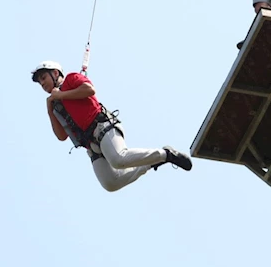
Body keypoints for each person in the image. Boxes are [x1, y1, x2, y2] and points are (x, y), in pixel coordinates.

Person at [31, 61, 193, 192]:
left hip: (102, 127)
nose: (42, 83)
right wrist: (50, 110)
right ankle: (151, 162)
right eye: (40, 82)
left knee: (118, 159)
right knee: (111, 183)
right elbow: (61, 136)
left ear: (55, 73)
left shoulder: (71, 79)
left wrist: (62, 94)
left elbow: (89, 90)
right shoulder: (56, 105)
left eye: (44, 77)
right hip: (92, 146)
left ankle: (165, 154)